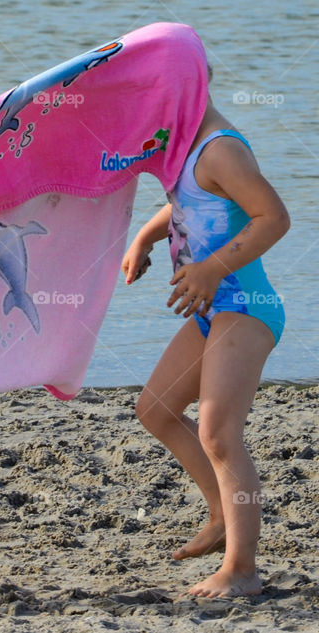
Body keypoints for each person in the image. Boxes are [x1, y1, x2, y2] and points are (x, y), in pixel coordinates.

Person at [121, 78, 290, 597]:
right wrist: (145, 237)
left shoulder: (222, 151)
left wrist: (213, 267)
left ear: (182, 93)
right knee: (156, 408)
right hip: (212, 310)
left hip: (246, 305)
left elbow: (274, 217)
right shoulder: (187, 147)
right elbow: (187, 205)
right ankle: (220, 513)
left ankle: (242, 569)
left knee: (219, 432)